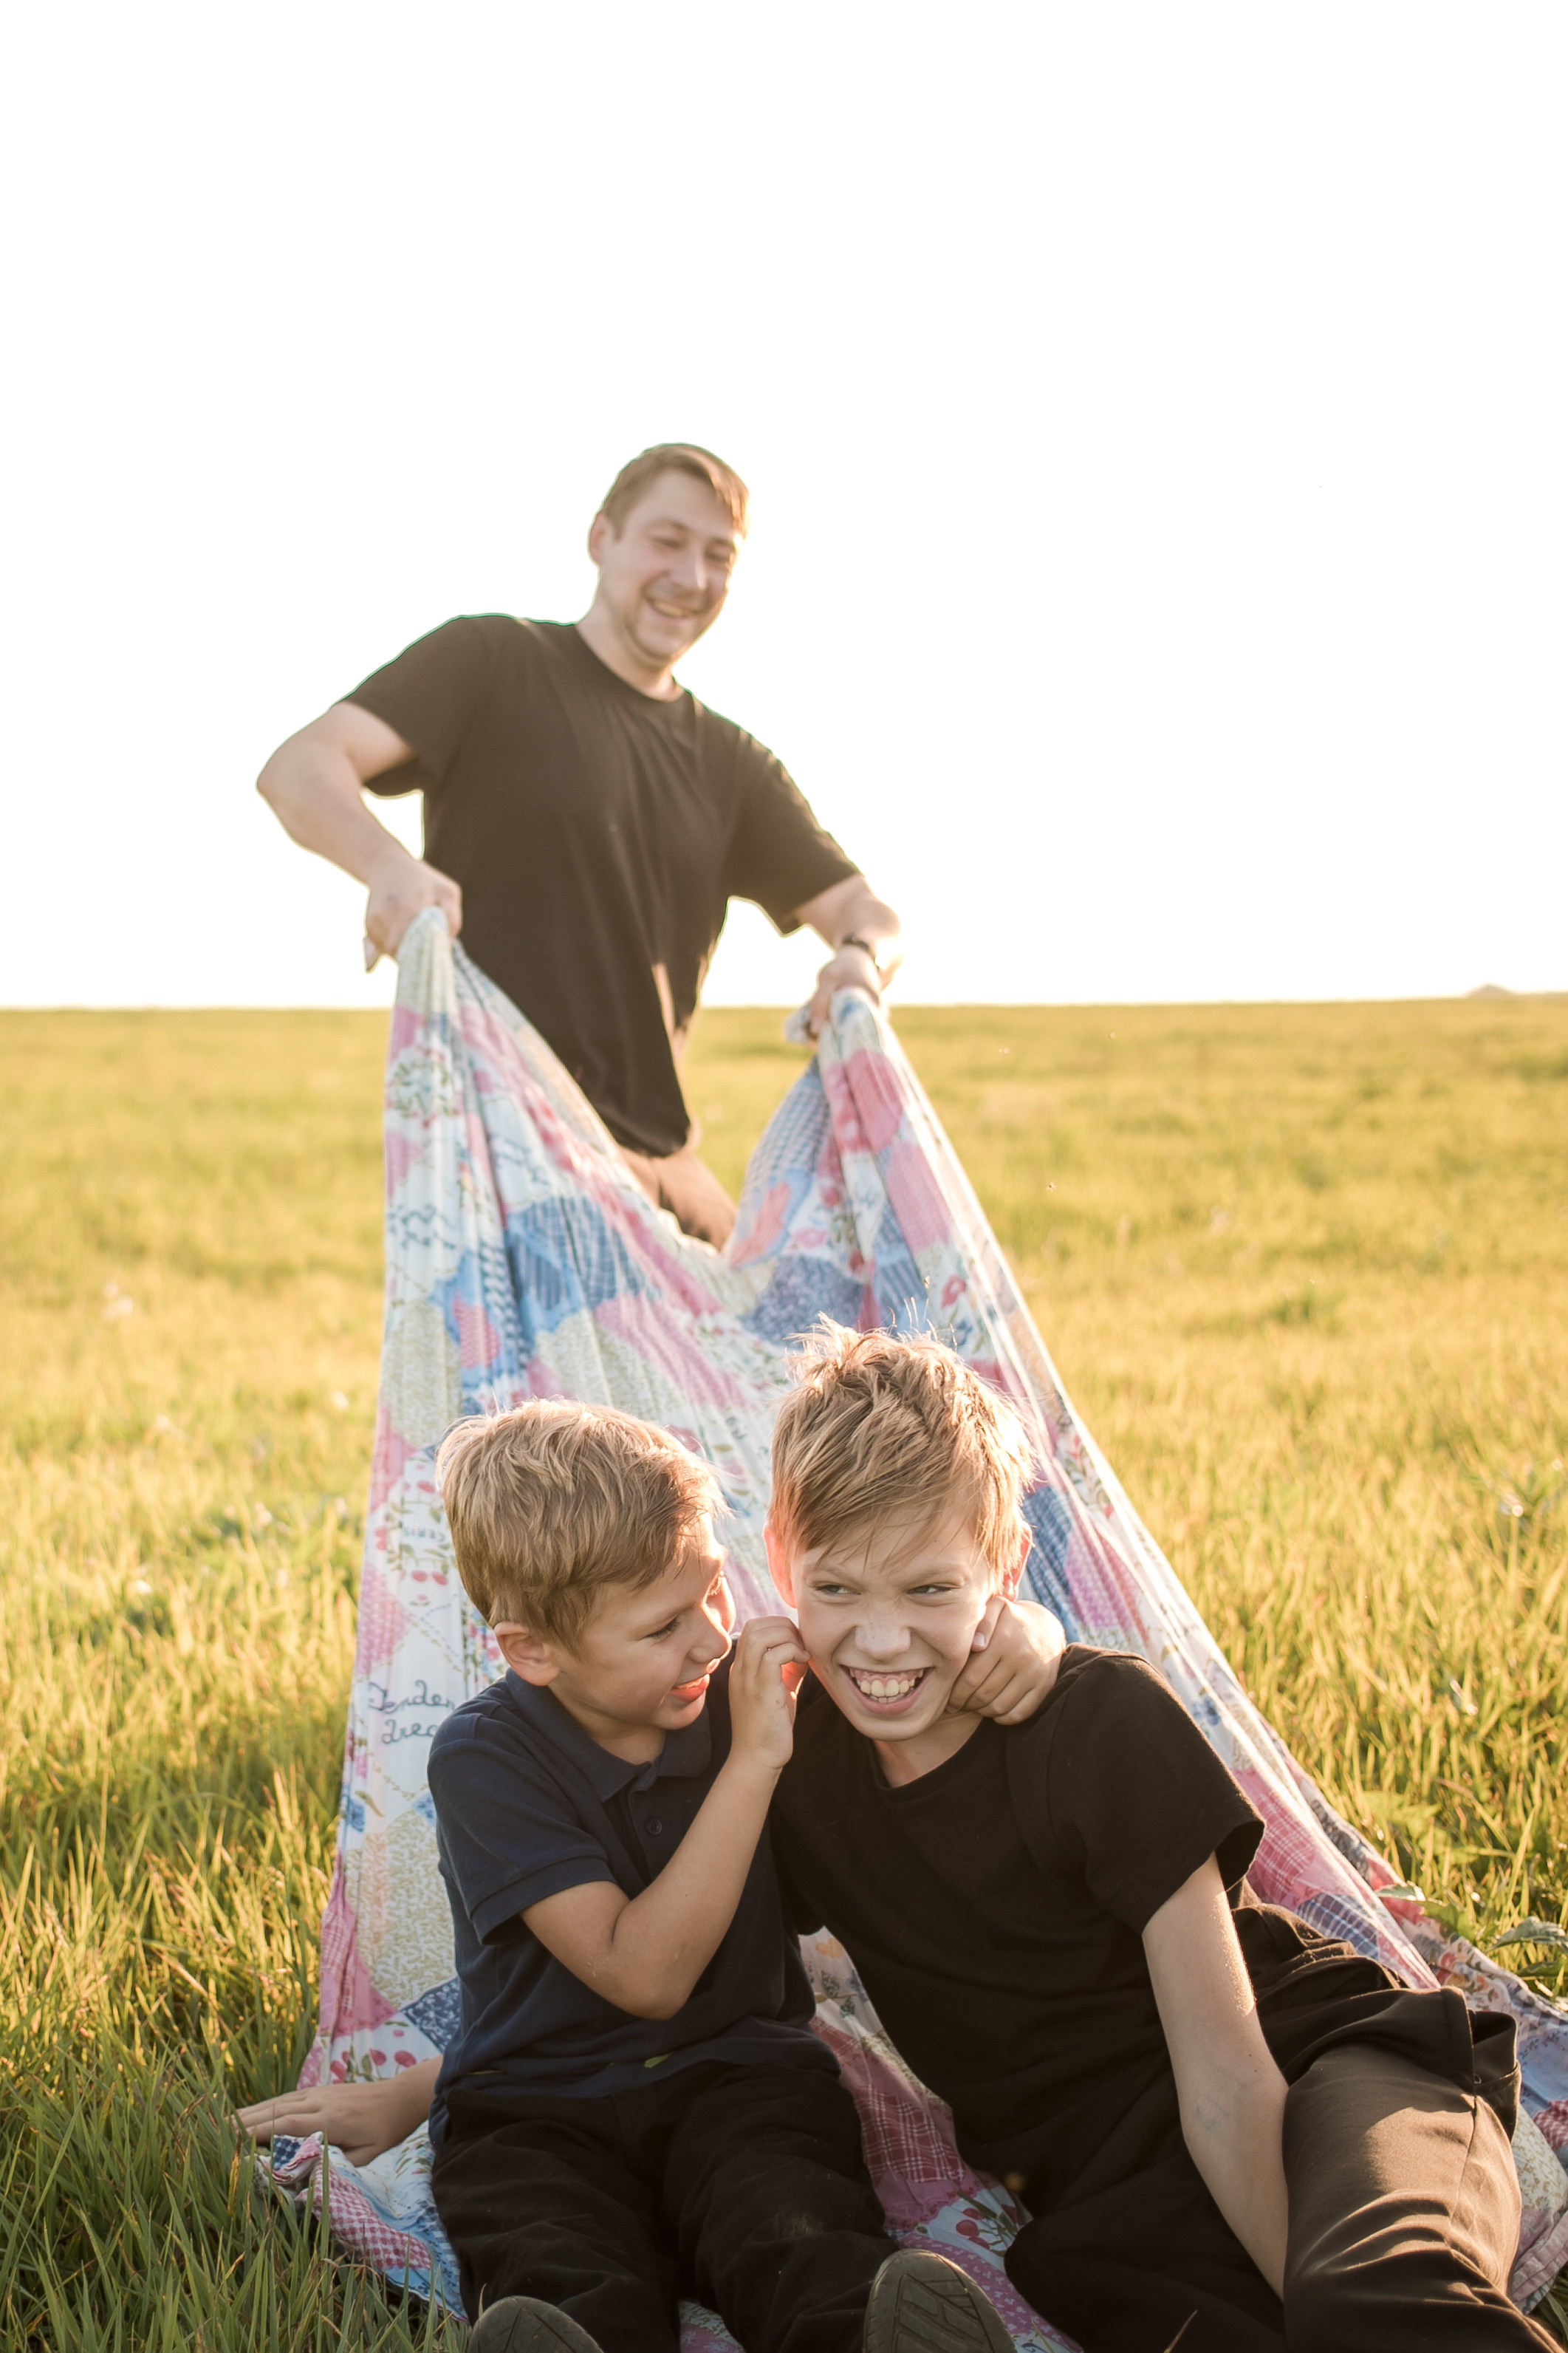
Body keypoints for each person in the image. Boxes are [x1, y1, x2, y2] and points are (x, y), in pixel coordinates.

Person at [761, 1323, 1557, 2353]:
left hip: (1322, 2077)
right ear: (778, 1559)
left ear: (1003, 1564)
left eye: (927, 1588)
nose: (878, 1640)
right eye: (835, 1589)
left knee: (1367, 2297)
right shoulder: (790, 1773)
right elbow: (675, 1960)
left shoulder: (1094, 1722)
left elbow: (1225, 2078)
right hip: (1114, 2206)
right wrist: (744, 1737)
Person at [409, 1397, 1071, 2353]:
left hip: (739, 2076)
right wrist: (753, 1760)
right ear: (532, 1652)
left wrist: (1025, 1631)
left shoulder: (742, 1690)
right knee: (556, 2254)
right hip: (534, 2106)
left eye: (713, 1593)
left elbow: (906, 1664)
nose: (712, 1639)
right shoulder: (485, 1757)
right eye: (660, 1627)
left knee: (795, 2228)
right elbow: (641, 1975)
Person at [256, 443, 902, 1246]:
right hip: (506, 1157)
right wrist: (388, 865)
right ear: (601, 537)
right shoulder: (490, 661)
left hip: (664, 1169)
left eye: (717, 556)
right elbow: (299, 765)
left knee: (794, 1352)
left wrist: (859, 961)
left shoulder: (731, 764)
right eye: (666, 541)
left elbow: (863, 909)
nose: (691, 578)